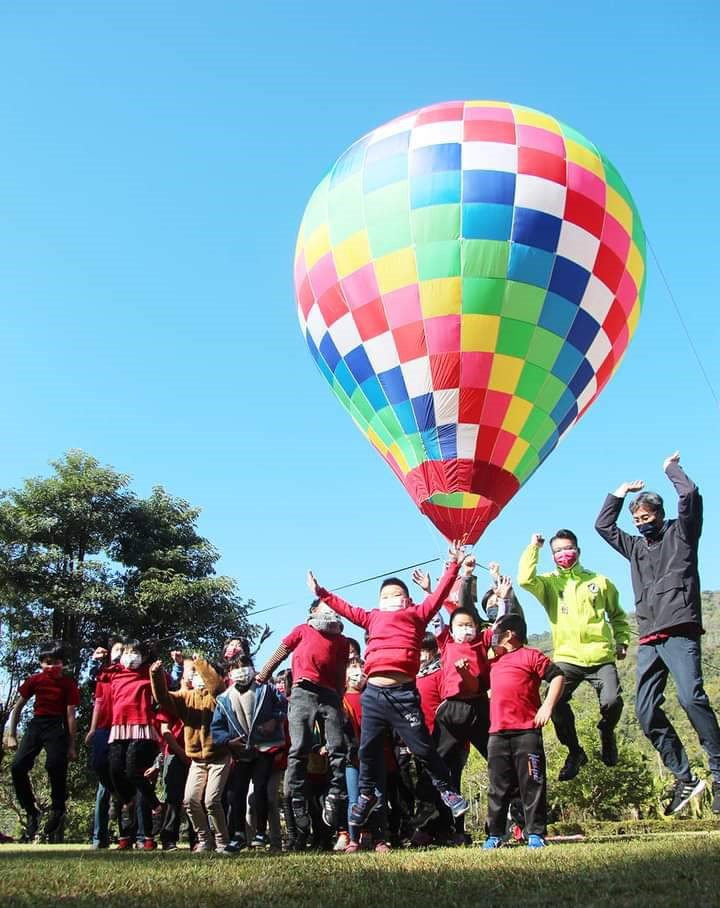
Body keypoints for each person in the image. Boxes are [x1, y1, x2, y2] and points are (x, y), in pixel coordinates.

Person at [307, 539, 470, 832]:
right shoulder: (372, 617)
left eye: (397, 594)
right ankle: (366, 795)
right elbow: (345, 608)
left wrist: (453, 564)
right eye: (386, 595)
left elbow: (441, 594)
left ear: (407, 600)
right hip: (374, 695)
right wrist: (322, 593)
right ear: (379, 600)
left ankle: (447, 790)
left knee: (422, 747)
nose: (391, 598)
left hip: (404, 694)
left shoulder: (417, 615)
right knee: (368, 749)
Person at [596, 451, 720, 815]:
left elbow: (690, 496)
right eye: (636, 519)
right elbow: (604, 527)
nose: (641, 523)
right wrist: (617, 494)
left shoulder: (681, 534)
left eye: (646, 517)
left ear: (659, 515)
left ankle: (718, 771)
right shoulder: (635, 546)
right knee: (646, 711)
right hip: (650, 637)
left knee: (691, 698)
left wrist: (671, 469)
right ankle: (685, 777)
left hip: (680, 629)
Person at [518, 529, 630, 781]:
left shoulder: (600, 582)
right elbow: (525, 579)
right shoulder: (548, 583)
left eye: (568, 548)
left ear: (578, 551)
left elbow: (618, 615)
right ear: (552, 555)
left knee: (612, 702)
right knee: (553, 701)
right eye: (557, 551)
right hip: (568, 658)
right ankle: (575, 751)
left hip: (601, 657)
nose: (563, 554)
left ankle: (606, 731)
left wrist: (622, 640)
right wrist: (533, 547)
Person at [256, 600, 350, 843]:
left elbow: (340, 670)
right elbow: (282, 650)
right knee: (299, 747)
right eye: (324, 606)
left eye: (333, 607)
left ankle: (336, 794)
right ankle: (296, 798)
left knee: (338, 747)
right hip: (302, 692)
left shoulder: (342, 640)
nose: (329, 610)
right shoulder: (303, 629)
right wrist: (264, 673)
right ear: (313, 612)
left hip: (329, 695)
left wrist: (339, 696)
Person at [482, 613, 565, 850]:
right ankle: (495, 835)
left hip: (527, 732)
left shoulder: (531, 655)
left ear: (509, 634)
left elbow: (558, 675)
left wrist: (547, 706)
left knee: (533, 783)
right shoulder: (493, 662)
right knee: (497, 787)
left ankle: (536, 833)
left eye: (496, 630)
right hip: (497, 734)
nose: (492, 635)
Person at [150, 655, 230, 853]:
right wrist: (156, 674)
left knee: (212, 801)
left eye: (197, 671)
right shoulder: (185, 697)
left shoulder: (219, 696)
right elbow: (163, 697)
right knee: (190, 800)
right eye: (192, 672)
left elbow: (216, 687)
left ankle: (222, 841)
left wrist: (202, 663)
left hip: (219, 757)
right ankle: (204, 840)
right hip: (196, 760)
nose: (195, 675)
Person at [3, 640, 79, 842]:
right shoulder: (35, 680)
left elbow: (71, 715)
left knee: (55, 764)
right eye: (48, 662)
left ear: (63, 663)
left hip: (56, 726)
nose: (52, 666)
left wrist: (72, 745)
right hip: (36, 725)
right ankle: (31, 811)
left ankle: (57, 808)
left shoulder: (68, 684)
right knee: (18, 766)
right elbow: (18, 707)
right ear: (41, 663)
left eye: (57, 662)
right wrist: (11, 734)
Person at [211, 656, 287, 849]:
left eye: (244, 666)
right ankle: (238, 835)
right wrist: (228, 741)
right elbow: (217, 727)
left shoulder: (266, 689)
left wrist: (274, 720)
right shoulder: (224, 698)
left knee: (261, 788)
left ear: (252, 668)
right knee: (237, 793)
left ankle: (261, 832)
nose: (241, 670)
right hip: (241, 752)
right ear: (229, 673)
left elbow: (283, 706)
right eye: (236, 667)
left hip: (264, 747)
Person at [107, 639, 162, 850]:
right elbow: (98, 678)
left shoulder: (149, 673)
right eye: (128, 652)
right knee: (114, 770)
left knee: (133, 771)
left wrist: (158, 669)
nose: (132, 656)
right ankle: (126, 803)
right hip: (118, 727)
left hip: (141, 728)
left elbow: (165, 688)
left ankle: (155, 807)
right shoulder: (114, 673)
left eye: (136, 652)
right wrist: (103, 658)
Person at [85, 641, 124, 848]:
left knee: (124, 776)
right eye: (117, 650)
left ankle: (129, 835)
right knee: (102, 777)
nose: (120, 654)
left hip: (123, 730)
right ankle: (99, 837)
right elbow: (97, 699)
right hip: (103, 728)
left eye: (123, 650)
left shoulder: (128, 675)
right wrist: (92, 728)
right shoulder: (103, 675)